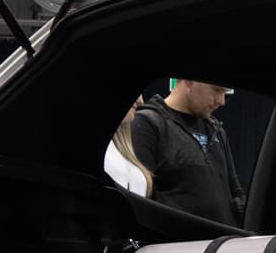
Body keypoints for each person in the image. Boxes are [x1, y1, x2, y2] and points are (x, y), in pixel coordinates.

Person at [105, 79, 246, 228]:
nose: (221, 101)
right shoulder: (148, 123)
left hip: (225, 239)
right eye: (217, 90)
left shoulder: (216, 130)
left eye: (224, 92)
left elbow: (235, 191)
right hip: (176, 240)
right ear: (190, 81)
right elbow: (139, 197)